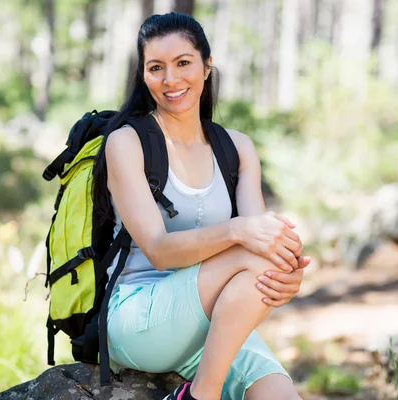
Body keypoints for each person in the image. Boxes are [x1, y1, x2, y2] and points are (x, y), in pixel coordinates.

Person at [92, 12, 311, 400]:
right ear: (143, 75)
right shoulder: (128, 143)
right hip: (140, 315)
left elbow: (264, 249)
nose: (170, 80)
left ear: (207, 66)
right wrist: (237, 231)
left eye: (183, 63)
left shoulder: (236, 148)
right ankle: (199, 396)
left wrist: (287, 279)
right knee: (257, 250)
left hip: (207, 324)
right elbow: (158, 251)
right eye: (156, 67)